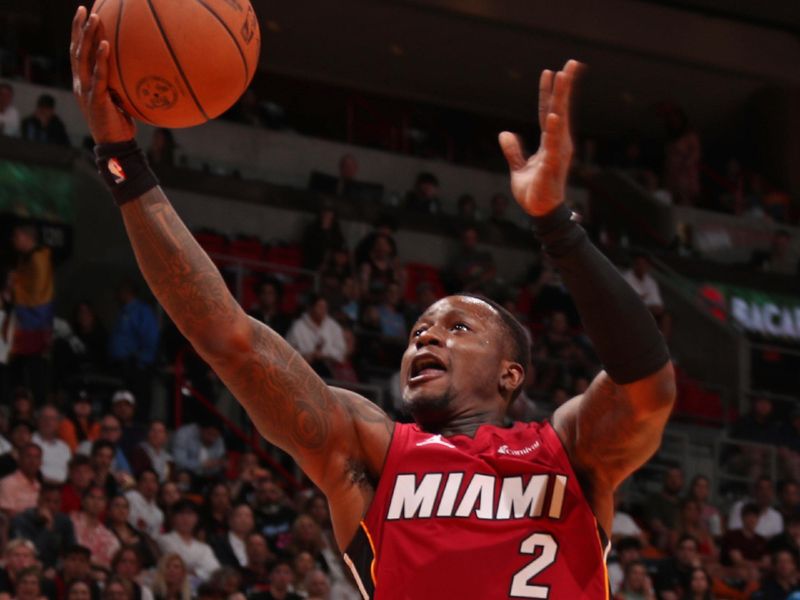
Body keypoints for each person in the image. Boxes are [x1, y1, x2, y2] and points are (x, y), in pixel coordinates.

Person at [72, 36, 674, 597]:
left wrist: (555, 226)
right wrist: (121, 159)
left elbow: (648, 386)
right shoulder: (373, 452)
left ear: (511, 374)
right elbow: (229, 340)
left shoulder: (567, 450)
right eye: (418, 332)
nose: (427, 335)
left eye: (457, 328)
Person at [9, 224, 54, 403]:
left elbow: (37, 294)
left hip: (35, 322)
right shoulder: (25, 258)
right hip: (25, 321)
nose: (13, 240)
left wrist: (14, 287)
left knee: (34, 369)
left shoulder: (39, 258)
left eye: (16, 236)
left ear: (27, 238)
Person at [108, 281, 159, 420]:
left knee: (136, 400)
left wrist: (141, 361)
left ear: (128, 292)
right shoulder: (123, 311)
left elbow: (150, 338)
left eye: (120, 291)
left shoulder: (142, 311)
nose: (118, 295)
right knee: (121, 400)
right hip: (120, 365)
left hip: (136, 365)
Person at [10, 483, 76, 569]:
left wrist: (57, 569)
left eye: (56, 502)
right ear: (38, 501)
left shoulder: (64, 521)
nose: (51, 506)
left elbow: (72, 551)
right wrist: (47, 528)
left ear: (60, 504)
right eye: (47, 501)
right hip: (27, 567)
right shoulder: (21, 521)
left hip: (54, 569)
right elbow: (30, 553)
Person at [157, 500, 220, 585]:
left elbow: (215, 570)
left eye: (190, 514)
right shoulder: (164, 540)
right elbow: (180, 564)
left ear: (196, 518)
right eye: (181, 514)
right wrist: (200, 570)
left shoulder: (204, 547)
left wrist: (196, 572)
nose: (185, 518)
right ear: (173, 518)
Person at [285, 296, 346, 377]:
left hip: (331, 370)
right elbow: (288, 351)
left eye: (325, 307)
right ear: (311, 308)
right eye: (320, 307)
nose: (323, 310)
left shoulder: (334, 326)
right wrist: (309, 355)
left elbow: (341, 353)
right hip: (303, 370)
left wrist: (323, 354)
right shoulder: (298, 327)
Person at [70, 486, 120, 568]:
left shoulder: (109, 538)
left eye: (101, 499)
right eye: (92, 497)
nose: (96, 502)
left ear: (105, 505)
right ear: (83, 501)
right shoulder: (70, 520)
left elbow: (107, 566)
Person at [0, 443, 42, 517]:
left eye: (36, 457)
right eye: (28, 456)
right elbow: (6, 513)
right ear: (19, 460)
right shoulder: (8, 483)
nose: (32, 461)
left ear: (41, 462)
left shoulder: (39, 485)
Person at [32, 405, 72, 484]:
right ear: (38, 420)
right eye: (44, 418)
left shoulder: (64, 447)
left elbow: (69, 472)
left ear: (58, 423)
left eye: (52, 419)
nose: (48, 422)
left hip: (63, 489)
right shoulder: (30, 441)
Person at [125, 469, 163, 537]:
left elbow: (154, 538)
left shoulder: (159, 513)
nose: (149, 485)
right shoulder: (130, 498)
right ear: (138, 484)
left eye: (153, 481)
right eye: (145, 481)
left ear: (157, 486)